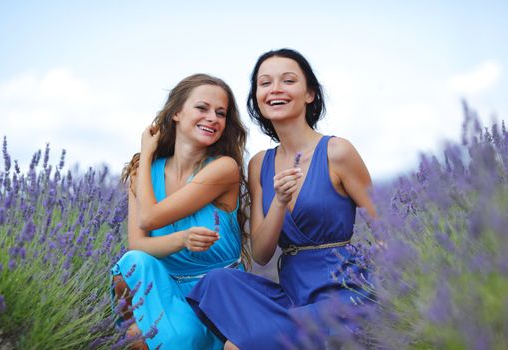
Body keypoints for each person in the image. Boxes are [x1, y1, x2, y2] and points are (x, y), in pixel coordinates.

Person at [187, 49, 376, 349]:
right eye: (265, 83)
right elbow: (261, 254)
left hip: (341, 293)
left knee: (235, 346)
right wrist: (278, 201)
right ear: (257, 98)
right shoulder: (260, 164)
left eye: (288, 81)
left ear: (310, 93)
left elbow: (387, 226)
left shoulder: (337, 152)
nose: (275, 89)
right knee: (217, 282)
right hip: (292, 294)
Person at [111, 73, 249, 350]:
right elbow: (137, 245)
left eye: (221, 113)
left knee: (172, 338)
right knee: (133, 263)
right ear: (176, 112)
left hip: (218, 294)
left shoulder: (223, 168)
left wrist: (145, 156)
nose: (212, 118)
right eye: (202, 108)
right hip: (165, 290)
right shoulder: (145, 171)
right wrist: (146, 156)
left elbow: (149, 218)